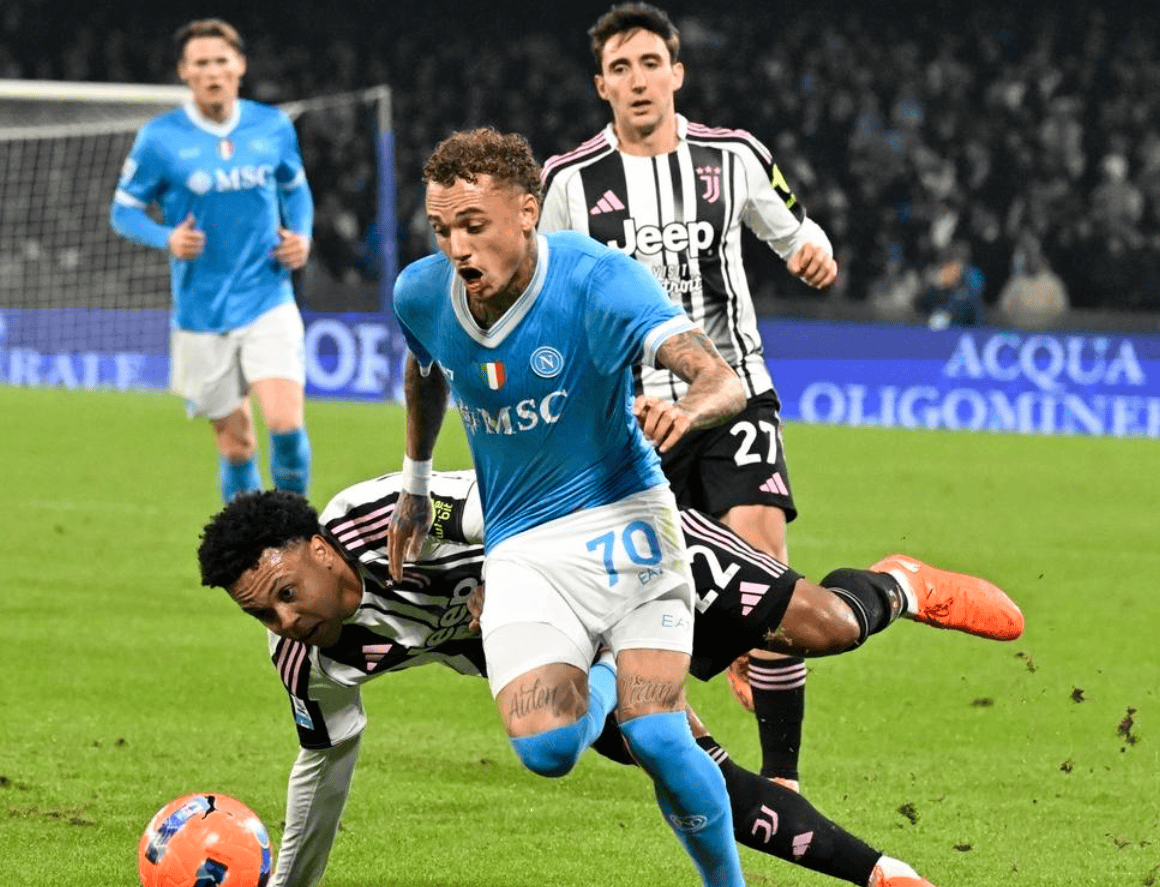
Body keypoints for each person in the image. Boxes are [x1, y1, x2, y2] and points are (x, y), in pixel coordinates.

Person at [196, 472, 1025, 887]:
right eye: (262, 614)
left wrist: (506, 575)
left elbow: (517, 500)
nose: (284, 620)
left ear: (318, 549)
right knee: (683, 760)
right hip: (554, 655)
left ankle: (899, 583)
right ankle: (883, 874)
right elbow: (324, 768)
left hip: (617, 541)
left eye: (285, 595)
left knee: (827, 625)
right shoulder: (311, 661)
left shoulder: (391, 516)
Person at [388, 125, 749, 887]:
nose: (457, 247)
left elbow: (721, 379)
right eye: (443, 229)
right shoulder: (420, 293)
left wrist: (686, 410)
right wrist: (415, 483)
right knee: (546, 750)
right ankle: (607, 673)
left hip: (627, 522)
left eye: (474, 225)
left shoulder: (598, 281)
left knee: (659, 736)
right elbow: (426, 371)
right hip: (522, 547)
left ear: (528, 211)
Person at [539, 2, 837, 792]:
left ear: (677, 72)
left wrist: (813, 253)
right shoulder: (568, 182)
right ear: (601, 86)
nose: (638, 80)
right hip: (632, 423)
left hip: (733, 395)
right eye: (621, 68)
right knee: (640, 614)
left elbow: (798, 230)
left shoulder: (733, 156)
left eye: (650, 63)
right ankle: (716, 770)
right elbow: (549, 299)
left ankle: (783, 781)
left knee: (766, 569)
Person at [109, 18, 314, 503]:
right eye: (201, 63)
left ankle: (296, 529)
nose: (212, 71)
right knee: (236, 445)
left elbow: (296, 189)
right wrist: (166, 238)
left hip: (267, 296)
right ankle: (250, 542)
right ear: (185, 72)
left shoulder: (273, 126)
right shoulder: (160, 138)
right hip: (201, 312)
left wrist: (301, 236)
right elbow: (123, 211)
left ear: (240, 65)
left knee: (285, 424)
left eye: (222, 60)